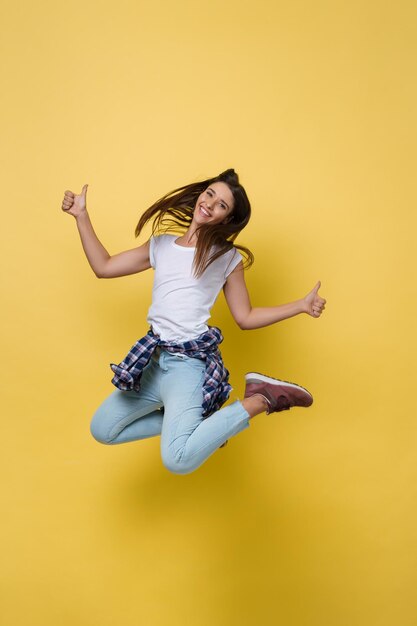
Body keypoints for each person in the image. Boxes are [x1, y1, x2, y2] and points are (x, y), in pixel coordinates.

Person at [61, 169, 326, 474]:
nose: (211, 204)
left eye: (222, 205)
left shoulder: (225, 257)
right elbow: (104, 267)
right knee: (103, 429)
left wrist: (301, 305)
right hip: (152, 363)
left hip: (187, 368)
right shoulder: (160, 245)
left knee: (177, 460)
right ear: (201, 194)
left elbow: (246, 317)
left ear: (225, 219)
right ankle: (204, 425)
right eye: (210, 194)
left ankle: (261, 398)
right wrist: (81, 216)